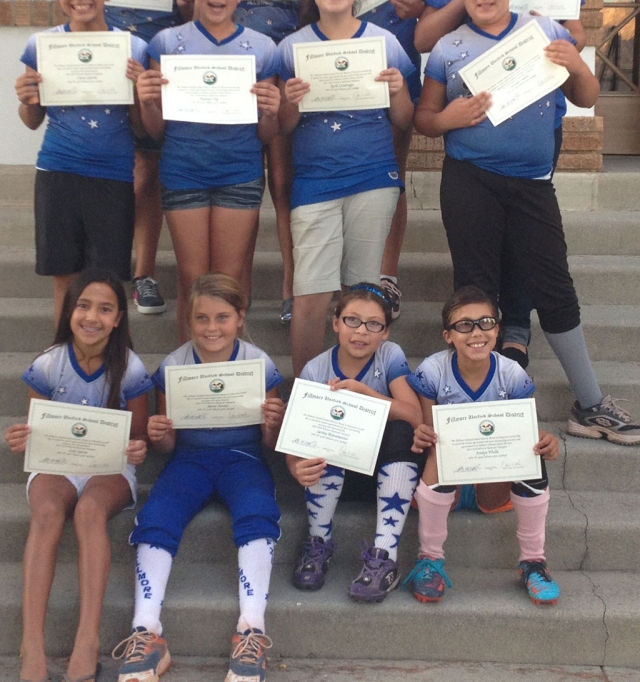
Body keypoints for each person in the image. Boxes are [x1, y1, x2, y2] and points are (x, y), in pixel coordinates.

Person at [414, 0, 640, 445]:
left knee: (554, 287)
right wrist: (449, 118)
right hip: (470, 181)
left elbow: (585, 97)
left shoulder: (546, 31)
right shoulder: (449, 48)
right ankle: (478, 408)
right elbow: (424, 119)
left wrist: (577, 66)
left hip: (533, 187)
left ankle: (590, 403)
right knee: (476, 289)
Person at [414, 0, 586, 366]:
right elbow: (426, 38)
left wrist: (536, 24)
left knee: (525, 238)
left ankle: (516, 327)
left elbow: (575, 36)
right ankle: (489, 339)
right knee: (485, 240)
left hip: (537, 118)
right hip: (479, 125)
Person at [111, 273, 285, 682]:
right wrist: (160, 434)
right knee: (158, 516)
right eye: (202, 319)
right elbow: (167, 446)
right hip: (189, 459)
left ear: (240, 318)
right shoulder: (175, 364)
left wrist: (272, 422)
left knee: (258, 512)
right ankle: (146, 630)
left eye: (222, 317)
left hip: (243, 456)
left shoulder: (258, 362)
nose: (212, 328)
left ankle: (252, 630)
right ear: (189, 321)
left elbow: (271, 442)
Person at [4, 269, 150, 682]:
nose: (92, 317)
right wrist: (22, 437)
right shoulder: (49, 364)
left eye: (105, 309)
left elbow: (139, 439)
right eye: (83, 306)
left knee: (89, 513)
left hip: (109, 468)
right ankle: (32, 644)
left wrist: (139, 446)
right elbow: (38, 430)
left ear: (119, 318)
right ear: (69, 311)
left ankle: (87, 640)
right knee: (48, 511)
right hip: (58, 464)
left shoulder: (131, 367)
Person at [278, 0, 414, 376]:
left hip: (373, 178)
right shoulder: (292, 48)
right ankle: (305, 392)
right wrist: (291, 102)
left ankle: (359, 394)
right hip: (315, 182)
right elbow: (282, 128)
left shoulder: (384, 42)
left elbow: (405, 118)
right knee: (312, 294)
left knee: (362, 297)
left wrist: (397, 91)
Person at [136, 0, 281, 340]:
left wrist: (271, 111)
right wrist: (147, 100)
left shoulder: (262, 47)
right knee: (193, 280)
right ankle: (189, 376)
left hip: (240, 171)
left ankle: (231, 369)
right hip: (184, 171)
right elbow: (156, 130)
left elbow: (266, 134)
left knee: (228, 281)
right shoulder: (166, 43)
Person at [77, 0, 200, 315]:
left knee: (147, 176)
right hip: (103, 71)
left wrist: (188, 6)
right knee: (112, 173)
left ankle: (143, 274)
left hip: (155, 76)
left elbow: (198, 29)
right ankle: (103, 269)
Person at [404, 286, 561, 605]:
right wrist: (420, 433)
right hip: (442, 483)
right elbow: (428, 431)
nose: (476, 332)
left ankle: (533, 562)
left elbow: (523, 428)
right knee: (438, 444)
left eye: (485, 322)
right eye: (464, 325)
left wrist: (545, 440)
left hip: (491, 485)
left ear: (498, 329)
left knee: (530, 450)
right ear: (448, 335)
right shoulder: (434, 369)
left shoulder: (511, 372)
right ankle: (429, 559)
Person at [16, 0, 148, 324]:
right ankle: (63, 365)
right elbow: (31, 120)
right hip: (58, 170)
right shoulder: (42, 46)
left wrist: (140, 94)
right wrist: (27, 99)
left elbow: (141, 128)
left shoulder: (133, 48)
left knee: (107, 283)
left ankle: (109, 366)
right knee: (65, 278)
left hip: (113, 175)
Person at [331, 0, 437, 316]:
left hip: (397, 74)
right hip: (346, 79)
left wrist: (419, 12)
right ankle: (351, 278)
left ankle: (387, 276)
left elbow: (437, 6)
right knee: (352, 176)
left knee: (392, 177)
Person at [285, 283, 424, 603]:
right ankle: (318, 541)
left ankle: (384, 556)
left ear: (386, 332)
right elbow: (295, 434)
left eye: (374, 324)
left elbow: (416, 416)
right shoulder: (315, 368)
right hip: (334, 477)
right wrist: (295, 467)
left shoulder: (389, 355)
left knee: (400, 429)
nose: (361, 331)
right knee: (324, 429)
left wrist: (367, 395)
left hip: (386, 475)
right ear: (335, 322)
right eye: (352, 320)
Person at [235, 0, 308, 323]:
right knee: (243, 189)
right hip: (232, 87)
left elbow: (314, 26)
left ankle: (290, 286)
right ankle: (233, 293)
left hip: (280, 82)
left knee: (283, 185)